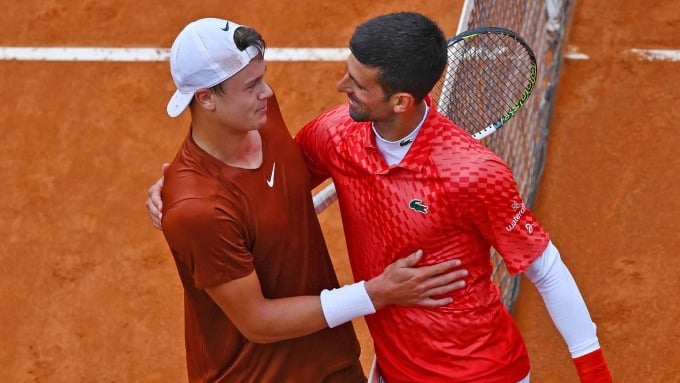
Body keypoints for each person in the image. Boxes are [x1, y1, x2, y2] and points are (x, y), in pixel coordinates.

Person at [149, 13, 612, 383]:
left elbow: (545, 268)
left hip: (479, 371)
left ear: (400, 102)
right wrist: (179, 191)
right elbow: (268, 183)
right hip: (392, 369)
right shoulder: (335, 135)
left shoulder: (475, 174)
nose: (340, 88)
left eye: (358, 83)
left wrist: (594, 373)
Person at [153, 17, 467, 383]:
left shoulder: (261, 117)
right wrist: (375, 293)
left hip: (329, 360)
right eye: (252, 85)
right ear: (206, 98)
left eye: (262, 78)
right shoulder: (197, 209)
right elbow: (258, 322)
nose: (267, 93)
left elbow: (280, 179)